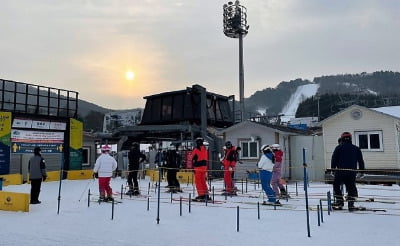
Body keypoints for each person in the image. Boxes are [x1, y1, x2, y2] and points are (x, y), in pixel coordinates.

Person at [331, 132, 365, 211]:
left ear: (342, 138)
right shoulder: (356, 148)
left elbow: (334, 159)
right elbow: (360, 161)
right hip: (352, 172)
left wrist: (332, 169)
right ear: (350, 139)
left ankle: (339, 201)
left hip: (340, 171)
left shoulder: (338, 148)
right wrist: (362, 171)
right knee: (351, 187)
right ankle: (351, 205)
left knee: (336, 185)